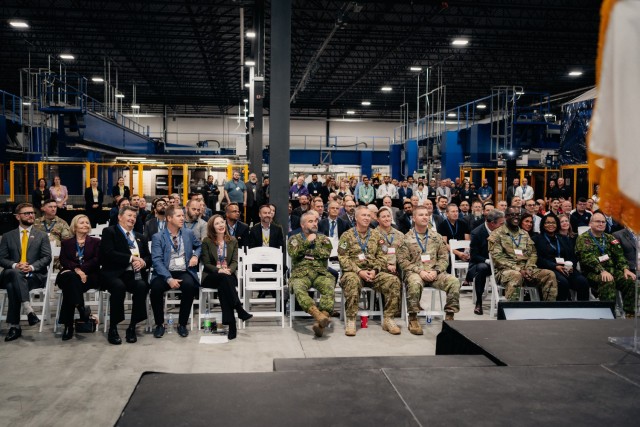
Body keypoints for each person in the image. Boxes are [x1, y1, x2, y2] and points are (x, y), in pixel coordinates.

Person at [338, 206, 402, 336]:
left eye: (368, 215)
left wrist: (375, 270)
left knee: (393, 280)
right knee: (351, 280)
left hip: (374, 273)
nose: (367, 218)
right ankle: (351, 319)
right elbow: (342, 257)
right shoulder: (346, 235)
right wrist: (358, 271)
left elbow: (383, 255)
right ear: (356, 218)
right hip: (354, 273)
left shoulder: (377, 235)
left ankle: (388, 318)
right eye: (363, 215)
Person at [398, 205, 461, 330]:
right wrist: (420, 271)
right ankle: (413, 318)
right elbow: (402, 261)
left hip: (435, 273)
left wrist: (436, 271)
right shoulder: (406, 238)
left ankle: (449, 316)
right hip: (415, 273)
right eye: (421, 215)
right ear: (414, 218)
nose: (425, 217)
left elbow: (444, 258)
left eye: (426, 215)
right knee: (415, 282)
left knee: (454, 281)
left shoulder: (436, 237)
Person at [0, 203, 52, 341]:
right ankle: (28, 309)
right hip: (11, 273)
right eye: (27, 213)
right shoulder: (7, 236)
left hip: (34, 275)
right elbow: (1, 258)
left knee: (13, 286)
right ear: (18, 217)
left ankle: (14, 326)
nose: (31, 215)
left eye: (32, 213)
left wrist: (31, 267)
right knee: (15, 273)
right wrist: (16, 265)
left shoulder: (41, 236)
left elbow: (47, 257)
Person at [99, 206, 151, 345]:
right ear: (120, 217)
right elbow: (108, 253)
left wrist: (143, 263)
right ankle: (113, 327)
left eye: (134, 217)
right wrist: (131, 258)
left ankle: (132, 326)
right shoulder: (110, 232)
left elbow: (148, 257)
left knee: (142, 286)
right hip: (114, 273)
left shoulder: (140, 237)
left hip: (134, 274)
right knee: (119, 287)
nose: (132, 219)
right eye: (129, 215)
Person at [150, 206, 200, 338]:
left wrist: (195, 256)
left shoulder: (188, 233)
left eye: (183, 216)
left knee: (190, 286)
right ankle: (160, 324)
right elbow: (156, 260)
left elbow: (199, 246)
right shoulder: (158, 237)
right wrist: (169, 279)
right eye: (179, 216)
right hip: (164, 272)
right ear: (169, 218)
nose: (182, 218)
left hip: (183, 270)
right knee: (155, 289)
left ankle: (182, 324)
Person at [488, 207, 558, 301]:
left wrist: (529, 268)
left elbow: (533, 253)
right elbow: (497, 258)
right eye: (513, 215)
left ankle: (548, 309)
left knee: (549, 274)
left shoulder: (524, 234)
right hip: (505, 271)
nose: (516, 217)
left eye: (518, 215)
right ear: (506, 217)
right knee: (517, 275)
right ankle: (512, 311)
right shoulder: (496, 234)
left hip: (526, 270)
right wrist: (519, 269)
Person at [201, 215, 253, 340]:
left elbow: (235, 261)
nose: (221, 225)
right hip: (211, 276)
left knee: (224, 286)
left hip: (228, 275)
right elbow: (207, 263)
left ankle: (232, 325)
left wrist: (229, 270)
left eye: (222, 222)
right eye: (217, 223)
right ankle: (239, 309)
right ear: (212, 227)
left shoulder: (233, 240)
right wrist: (220, 270)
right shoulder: (207, 241)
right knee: (224, 280)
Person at [576, 212, 636, 317]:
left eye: (603, 222)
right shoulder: (583, 238)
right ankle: (608, 314)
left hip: (612, 271)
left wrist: (625, 269)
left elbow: (619, 256)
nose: (601, 224)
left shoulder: (610, 238)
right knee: (608, 281)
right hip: (592, 272)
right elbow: (587, 258)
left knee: (630, 280)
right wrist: (602, 270)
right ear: (590, 223)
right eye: (598, 221)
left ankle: (630, 314)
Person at [288, 211, 336, 337]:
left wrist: (304, 251)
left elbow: (325, 253)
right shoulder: (294, 239)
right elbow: (293, 254)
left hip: (320, 273)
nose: (315, 223)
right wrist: (307, 242)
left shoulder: (324, 239)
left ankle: (321, 322)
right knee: (298, 288)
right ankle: (317, 314)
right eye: (310, 221)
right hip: (301, 274)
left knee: (329, 287)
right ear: (303, 225)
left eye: (315, 221)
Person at [56, 214, 100, 340]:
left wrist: (82, 270)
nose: (85, 224)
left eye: (87, 222)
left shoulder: (96, 242)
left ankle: (68, 326)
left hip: (90, 276)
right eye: (82, 223)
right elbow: (63, 260)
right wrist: (77, 270)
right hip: (70, 274)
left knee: (70, 287)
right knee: (71, 279)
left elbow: (97, 260)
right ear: (74, 227)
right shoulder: (66, 243)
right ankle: (81, 308)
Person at [533, 214, 589, 301]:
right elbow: (538, 259)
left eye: (553, 223)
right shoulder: (537, 239)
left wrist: (571, 266)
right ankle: (561, 310)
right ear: (543, 224)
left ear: (557, 224)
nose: (551, 225)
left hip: (567, 268)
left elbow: (573, 256)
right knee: (563, 283)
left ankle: (582, 309)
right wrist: (555, 266)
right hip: (550, 268)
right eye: (547, 222)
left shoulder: (563, 238)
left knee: (583, 282)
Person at [467, 209, 505, 315]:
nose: (503, 226)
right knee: (482, 268)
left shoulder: (503, 232)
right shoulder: (477, 233)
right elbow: (474, 256)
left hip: (501, 262)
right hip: (483, 262)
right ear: (492, 223)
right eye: (501, 223)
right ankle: (479, 302)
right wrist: (488, 261)